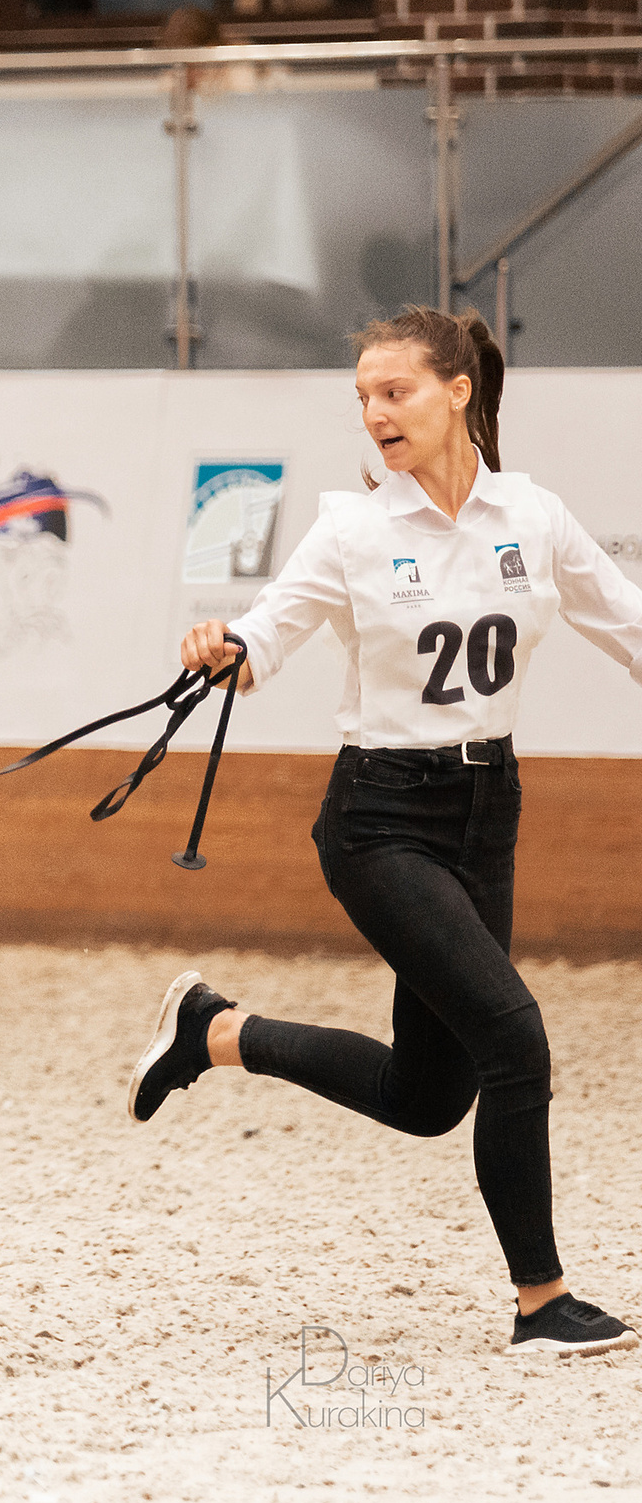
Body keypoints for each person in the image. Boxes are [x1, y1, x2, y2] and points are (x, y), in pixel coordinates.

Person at [130, 307, 642, 1360]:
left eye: (395, 391)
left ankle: (213, 1031)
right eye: (363, 395)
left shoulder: (532, 515)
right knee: (515, 1039)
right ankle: (542, 1300)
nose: (375, 412)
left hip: (487, 811)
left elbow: (630, 626)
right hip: (380, 819)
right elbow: (266, 631)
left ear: (458, 391)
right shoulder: (352, 530)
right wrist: (224, 645)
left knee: (428, 1095)